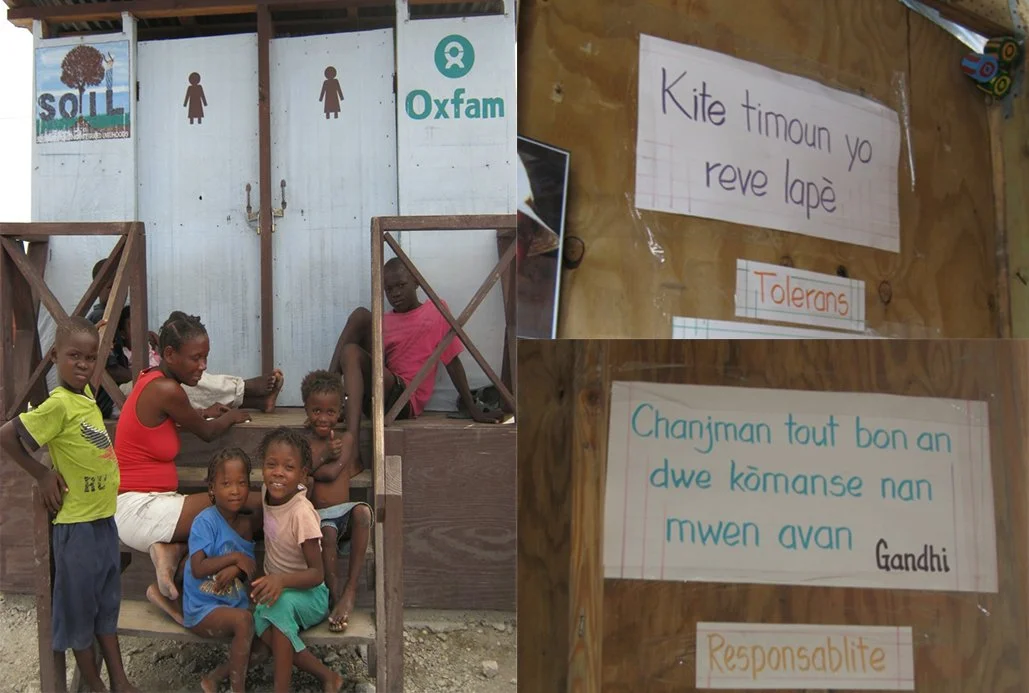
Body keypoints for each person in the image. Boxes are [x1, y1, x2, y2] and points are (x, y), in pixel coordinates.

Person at [0, 317, 138, 693]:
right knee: (80, 615)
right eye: (73, 356)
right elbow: (7, 435)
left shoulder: (86, 396)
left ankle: (121, 681)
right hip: (76, 529)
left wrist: (94, 328)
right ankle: (94, 684)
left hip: (103, 523)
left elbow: (80, 341)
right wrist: (41, 475)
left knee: (107, 608)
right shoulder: (58, 404)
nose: (82, 364)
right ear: (54, 356)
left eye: (90, 358)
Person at [114, 312, 254, 621]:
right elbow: (206, 434)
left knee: (229, 512)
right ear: (169, 354)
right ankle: (190, 594)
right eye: (196, 358)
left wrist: (203, 411)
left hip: (154, 502)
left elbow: (171, 417)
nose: (203, 366)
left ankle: (171, 556)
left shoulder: (153, 379)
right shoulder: (167, 390)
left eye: (205, 357)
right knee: (247, 502)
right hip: (138, 506)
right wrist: (231, 415)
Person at [327, 257, 505, 474]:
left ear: (416, 282)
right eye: (389, 289)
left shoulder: (436, 310)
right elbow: (373, 365)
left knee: (352, 351)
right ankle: (329, 398)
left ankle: (352, 451)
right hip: (379, 395)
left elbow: (452, 361)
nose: (395, 293)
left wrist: (473, 408)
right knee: (360, 317)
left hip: (405, 399)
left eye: (401, 285)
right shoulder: (385, 321)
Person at [249, 427, 343, 693]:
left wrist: (280, 580)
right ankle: (328, 676)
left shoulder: (301, 514)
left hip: (310, 595)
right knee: (258, 620)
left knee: (276, 612)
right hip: (278, 589)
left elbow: (317, 574)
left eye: (288, 468)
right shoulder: (269, 492)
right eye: (271, 465)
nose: (278, 473)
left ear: (302, 474)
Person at [299, 370, 371, 633]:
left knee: (363, 513)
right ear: (306, 410)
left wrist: (312, 466)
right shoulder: (304, 443)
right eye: (316, 411)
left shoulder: (346, 439)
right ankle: (333, 594)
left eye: (330, 412)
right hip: (322, 517)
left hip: (346, 513)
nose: (323, 418)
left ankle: (350, 591)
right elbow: (302, 473)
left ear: (340, 412)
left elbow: (329, 473)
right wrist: (323, 455)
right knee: (327, 533)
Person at [183, 448, 259, 693]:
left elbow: (250, 567)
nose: (235, 490)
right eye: (226, 483)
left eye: (242, 483)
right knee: (246, 622)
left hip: (232, 604)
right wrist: (235, 558)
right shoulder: (205, 521)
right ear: (212, 488)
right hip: (202, 608)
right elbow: (197, 568)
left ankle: (214, 678)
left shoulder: (246, 525)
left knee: (266, 644)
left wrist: (237, 568)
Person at [115, 308, 284, 414]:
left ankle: (258, 401)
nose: (139, 330)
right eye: (132, 326)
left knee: (195, 381)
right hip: (121, 393)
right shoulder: (105, 327)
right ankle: (246, 387)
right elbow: (206, 432)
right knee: (188, 389)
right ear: (121, 333)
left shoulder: (150, 345)